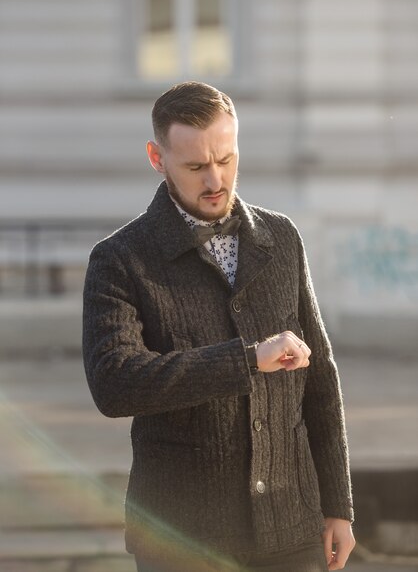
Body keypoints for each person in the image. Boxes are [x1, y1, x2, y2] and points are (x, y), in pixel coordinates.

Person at [83, 81, 355, 572]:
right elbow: (115, 384)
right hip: (179, 535)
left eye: (226, 159)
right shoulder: (119, 259)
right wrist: (247, 359)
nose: (215, 180)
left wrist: (338, 504)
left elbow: (321, 382)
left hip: (290, 529)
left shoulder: (283, 238)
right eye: (195, 166)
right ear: (156, 157)